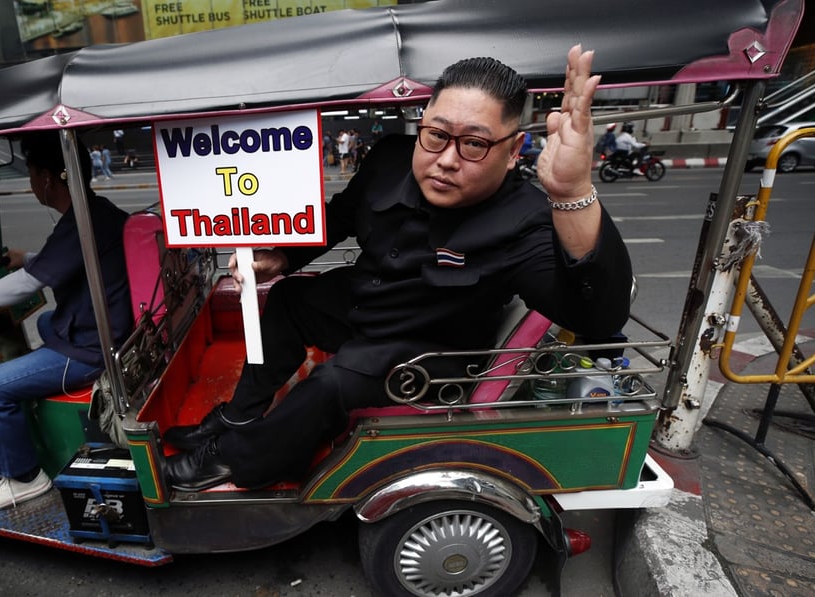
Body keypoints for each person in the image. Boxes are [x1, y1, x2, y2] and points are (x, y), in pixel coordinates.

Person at [164, 45, 632, 492]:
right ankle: (238, 418)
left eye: (474, 144)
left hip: (432, 351)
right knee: (288, 298)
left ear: (513, 152)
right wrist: (283, 256)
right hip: (367, 304)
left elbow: (596, 316)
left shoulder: (524, 217)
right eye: (436, 135)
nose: (446, 160)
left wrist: (571, 194)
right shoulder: (389, 159)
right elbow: (340, 217)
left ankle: (241, 459)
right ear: (422, 125)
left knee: (331, 384)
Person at [0, 131, 133, 512]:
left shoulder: (81, 222)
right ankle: (27, 393)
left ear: (46, 178)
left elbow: (30, 282)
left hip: (94, 347)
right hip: (107, 327)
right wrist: (25, 256)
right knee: (44, 323)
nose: (30, 184)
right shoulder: (96, 211)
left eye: (29, 174)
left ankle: (22, 477)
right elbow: (60, 259)